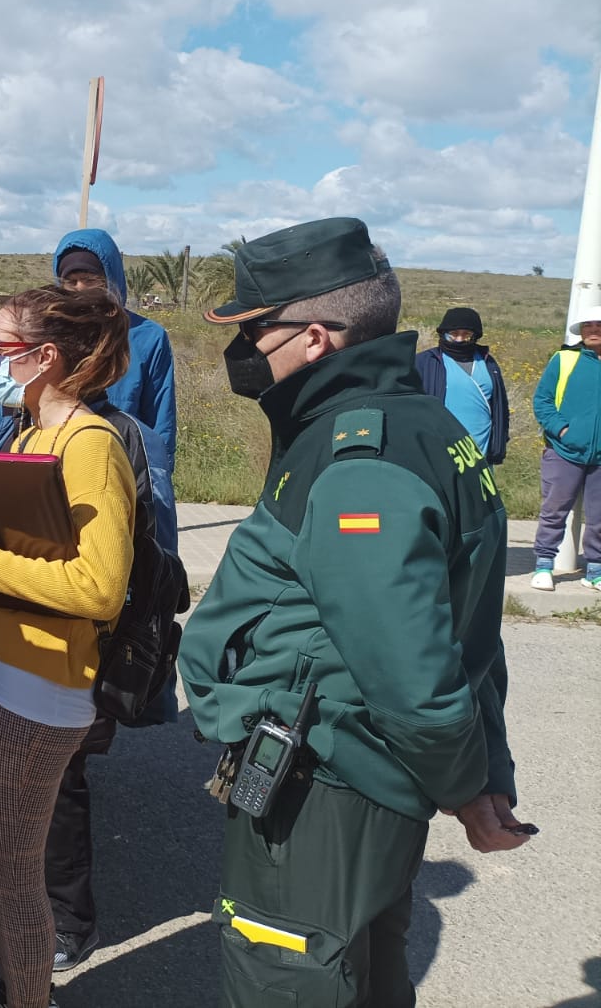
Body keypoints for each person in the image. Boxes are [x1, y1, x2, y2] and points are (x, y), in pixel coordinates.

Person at [178, 217, 528, 1006]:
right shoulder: (425, 426)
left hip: (325, 786)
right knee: (366, 972)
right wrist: (482, 771)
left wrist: (466, 788)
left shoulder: (357, 460)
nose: (243, 351)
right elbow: (470, 628)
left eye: (254, 332)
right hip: (358, 782)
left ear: (313, 338)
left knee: (287, 977)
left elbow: (416, 677)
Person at [0, 285, 136, 1008]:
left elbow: (100, 588)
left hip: (43, 689)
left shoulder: (91, 446)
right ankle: (24, 979)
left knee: (15, 871)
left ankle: (26, 997)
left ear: (45, 358)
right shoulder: (26, 436)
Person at [51, 228, 177, 465]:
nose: (80, 289)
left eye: (90, 280)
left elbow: (161, 421)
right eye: (71, 282)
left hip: (125, 464)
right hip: (59, 462)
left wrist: (157, 477)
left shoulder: (147, 337)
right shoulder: (51, 333)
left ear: (111, 279)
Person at [530, 304, 601, 592]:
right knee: (554, 510)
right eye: (588, 326)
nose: (593, 330)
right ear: (581, 332)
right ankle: (544, 566)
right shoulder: (564, 359)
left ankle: (595, 571)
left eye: (598, 325)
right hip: (563, 452)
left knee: (599, 517)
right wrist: (562, 431)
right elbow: (542, 401)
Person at [415, 307, 510, 465]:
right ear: (443, 333)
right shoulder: (425, 363)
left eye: (466, 334)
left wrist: (499, 443)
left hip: (482, 455)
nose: (459, 339)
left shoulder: (488, 363)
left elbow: (501, 407)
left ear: (475, 336)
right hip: (438, 456)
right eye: (454, 334)